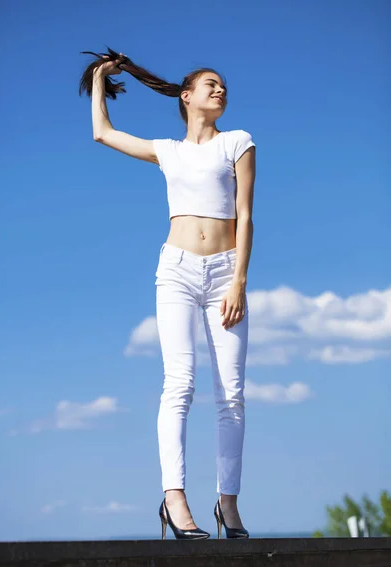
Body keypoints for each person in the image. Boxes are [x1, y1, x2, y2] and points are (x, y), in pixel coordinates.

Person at [80, 49, 256, 540]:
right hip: (176, 272)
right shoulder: (168, 150)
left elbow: (245, 217)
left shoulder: (238, 142)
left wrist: (238, 281)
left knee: (232, 396)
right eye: (210, 84)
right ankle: (175, 500)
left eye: (223, 85)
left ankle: (228, 504)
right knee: (178, 384)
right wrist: (99, 80)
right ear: (186, 97)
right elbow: (103, 133)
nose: (220, 89)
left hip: (225, 274)